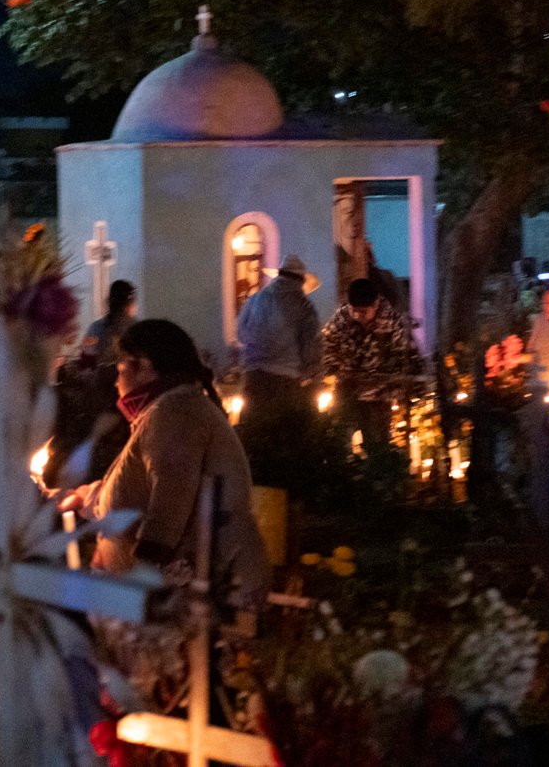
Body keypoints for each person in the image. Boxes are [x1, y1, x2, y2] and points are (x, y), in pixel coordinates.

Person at [68, 320, 269, 605]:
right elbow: (138, 489)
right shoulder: (166, 410)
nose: (115, 380)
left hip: (192, 603)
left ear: (145, 366)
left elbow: (169, 505)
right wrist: (83, 497)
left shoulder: (175, 412)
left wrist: (137, 588)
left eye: (121, 368)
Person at [234, 255, 322, 492]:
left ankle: (253, 490)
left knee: (253, 436)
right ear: (302, 280)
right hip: (286, 382)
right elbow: (311, 350)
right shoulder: (304, 307)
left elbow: (241, 334)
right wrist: (313, 376)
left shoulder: (254, 300)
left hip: (253, 378)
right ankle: (283, 494)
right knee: (284, 440)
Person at [321, 279, 424, 450]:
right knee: (338, 442)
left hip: (379, 395)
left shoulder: (393, 323)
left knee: (377, 444)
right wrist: (332, 371)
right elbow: (327, 345)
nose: (358, 316)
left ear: (375, 305)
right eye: (354, 311)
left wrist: (405, 384)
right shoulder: (341, 320)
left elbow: (408, 355)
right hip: (347, 391)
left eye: (363, 311)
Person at [80, 280, 136, 369]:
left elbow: (86, 359)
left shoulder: (96, 328)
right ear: (129, 305)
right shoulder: (137, 329)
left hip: (102, 377)